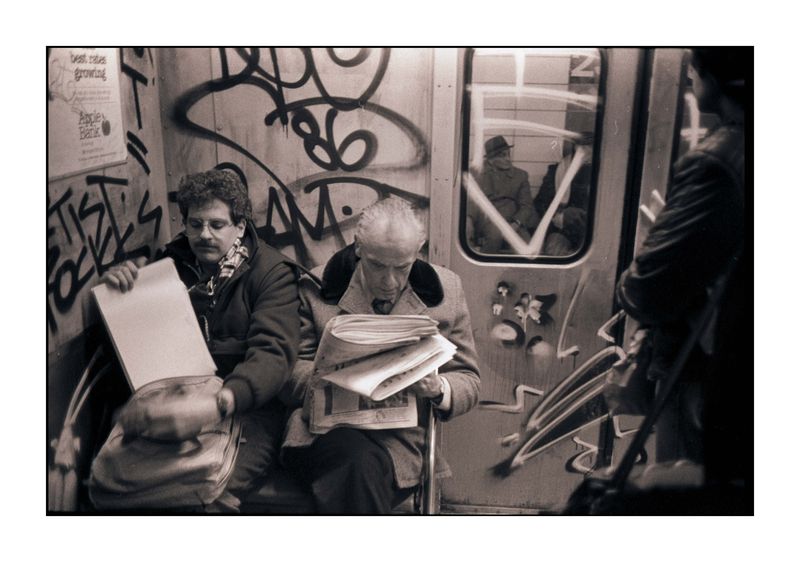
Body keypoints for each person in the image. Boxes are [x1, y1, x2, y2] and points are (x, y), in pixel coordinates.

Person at [99, 169, 302, 512]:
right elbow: (138, 343)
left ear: (240, 226)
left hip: (246, 409)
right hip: (174, 399)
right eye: (195, 224)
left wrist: (220, 401)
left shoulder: (271, 272)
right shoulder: (168, 266)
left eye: (217, 225)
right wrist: (121, 290)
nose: (203, 235)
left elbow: (274, 354)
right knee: (123, 488)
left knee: (206, 495)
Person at [280, 198, 481, 514]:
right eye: (376, 265)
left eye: (402, 267)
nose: (389, 282)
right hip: (324, 433)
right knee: (354, 463)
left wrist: (438, 388)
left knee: (359, 471)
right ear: (358, 247)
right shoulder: (316, 287)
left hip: (399, 441)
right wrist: (327, 379)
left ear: (418, 251)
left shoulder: (447, 291)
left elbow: (469, 380)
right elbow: (288, 372)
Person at [615, 48, 749, 512]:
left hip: (710, 373)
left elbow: (647, 287)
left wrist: (650, 248)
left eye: (696, 66)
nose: (690, 74)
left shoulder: (720, 159)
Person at [467, 135, 536, 253]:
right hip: (488, 220)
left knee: (527, 246)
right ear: (490, 160)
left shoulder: (520, 175)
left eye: (508, 154)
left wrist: (515, 224)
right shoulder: (477, 174)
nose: (508, 159)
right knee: (495, 237)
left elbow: (526, 206)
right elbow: (472, 201)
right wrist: (468, 219)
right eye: (502, 155)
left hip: (513, 220)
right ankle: (484, 270)